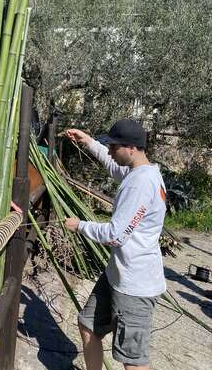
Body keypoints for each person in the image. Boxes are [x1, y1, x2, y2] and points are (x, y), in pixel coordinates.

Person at [64, 119, 167, 370]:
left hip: (134, 286)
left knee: (132, 359)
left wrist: (80, 226)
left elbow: (115, 235)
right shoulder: (142, 171)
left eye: (113, 146)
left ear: (130, 148)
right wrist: (88, 142)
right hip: (116, 277)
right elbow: (113, 165)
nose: (109, 150)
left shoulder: (140, 183)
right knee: (88, 325)